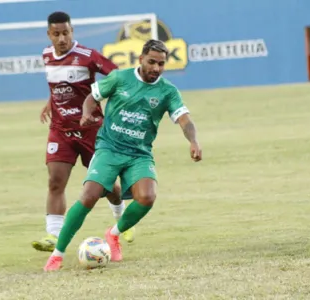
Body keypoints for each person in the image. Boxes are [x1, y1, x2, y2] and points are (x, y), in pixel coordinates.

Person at [43, 39, 202, 271]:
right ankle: (57, 254)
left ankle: (113, 233)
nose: (156, 68)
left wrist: (194, 141)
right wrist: (86, 113)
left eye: (161, 64)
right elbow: (92, 97)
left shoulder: (168, 91)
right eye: (151, 62)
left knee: (147, 197)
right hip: (109, 148)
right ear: (141, 59)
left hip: (139, 154)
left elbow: (184, 119)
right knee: (89, 195)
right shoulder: (119, 78)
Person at [32, 11, 136, 253]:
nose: (61, 39)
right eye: (56, 34)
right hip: (60, 130)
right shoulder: (46, 55)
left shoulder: (87, 56)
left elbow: (118, 77)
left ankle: (122, 220)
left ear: (72, 32)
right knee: (55, 181)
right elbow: (58, 85)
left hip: (91, 130)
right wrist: (51, 102)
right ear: (49, 34)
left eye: (65, 33)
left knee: (105, 185)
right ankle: (54, 236)